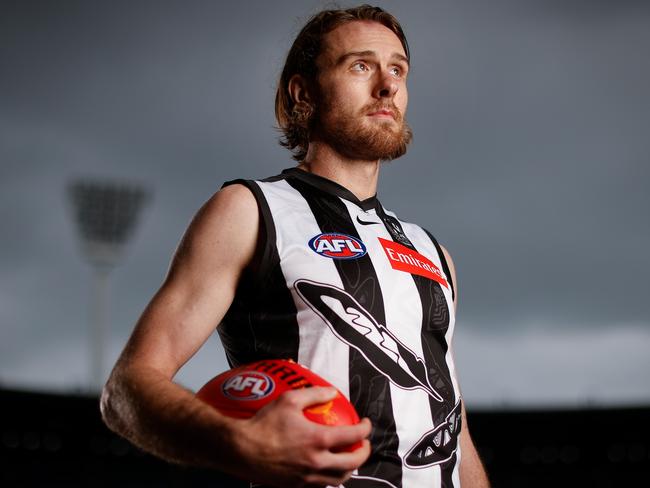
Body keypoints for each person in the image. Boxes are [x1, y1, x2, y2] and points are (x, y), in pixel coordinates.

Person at [101, 5, 490, 488]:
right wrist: (237, 443)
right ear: (303, 93)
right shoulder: (249, 210)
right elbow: (128, 387)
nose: (387, 85)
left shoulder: (433, 253)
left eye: (398, 69)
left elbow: (454, 428)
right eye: (361, 66)